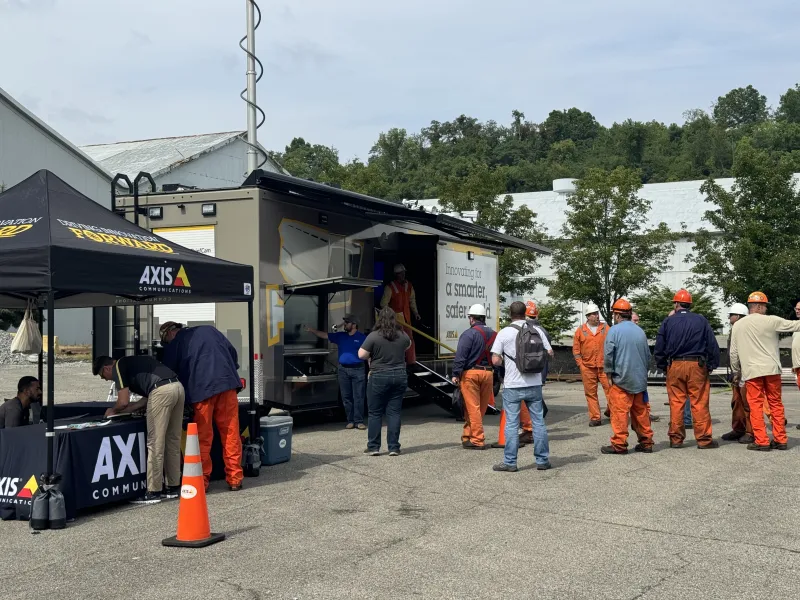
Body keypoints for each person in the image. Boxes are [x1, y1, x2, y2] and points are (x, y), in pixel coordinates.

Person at [160, 321, 244, 492]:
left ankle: (202, 481)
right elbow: (233, 353)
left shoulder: (176, 343)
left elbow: (167, 373)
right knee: (231, 432)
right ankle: (235, 478)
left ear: (169, 334)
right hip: (227, 385)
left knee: (203, 438)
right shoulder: (210, 330)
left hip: (201, 391)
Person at [93, 355, 184, 504]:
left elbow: (123, 401)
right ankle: (173, 486)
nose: (108, 380)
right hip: (177, 387)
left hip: (161, 391)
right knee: (172, 440)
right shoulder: (135, 363)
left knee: (155, 443)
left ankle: (154, 491)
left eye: (105, 377)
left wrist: (113, 410)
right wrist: (130, 409)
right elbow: (148, 397)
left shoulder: (119, 366)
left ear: (107, 368)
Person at [730, 291, 800, 451]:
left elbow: (733, 353)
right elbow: (795, 325)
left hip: (752, 371)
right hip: (772, 370)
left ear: (751, 306)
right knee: (775, 404)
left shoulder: (738, 325)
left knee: (755, 405)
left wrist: (736, 372)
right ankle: (780, 439)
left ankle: (761, 441)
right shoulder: (772, 321)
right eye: (765, 306)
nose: (766, 309)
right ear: (760, 306)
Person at [491, 301, 553, 471]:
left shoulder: (504, 333)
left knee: (512, 424)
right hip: (534, 384)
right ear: (525, 313)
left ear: (510, 314)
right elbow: (549, 353)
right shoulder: (537, 330)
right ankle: (542, 461)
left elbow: (495, 360)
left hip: (512, 385)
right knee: (538, 422)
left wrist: (505, 360)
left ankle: (510, 462)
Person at [654, 289, 720, 449]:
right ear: (690, 304)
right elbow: (712, 345)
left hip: (674, 365)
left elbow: (659, 347)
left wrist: (664, 366)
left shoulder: (668, 322)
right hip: (696, 365)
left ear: (676, 304)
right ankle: (704, 439)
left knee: (676, 403)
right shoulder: (701, 320)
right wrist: (711, 365)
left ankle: (676, 439)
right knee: (699, 402)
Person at [601, 298, 654, 455]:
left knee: (620, 413)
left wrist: (609, 374)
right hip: (639, 380)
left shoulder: (614, 331)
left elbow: (609, 355)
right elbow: (647, 356)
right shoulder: (640, 331)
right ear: (630, 314)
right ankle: (646, 442)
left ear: (617, 315)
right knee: (641, 413)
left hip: (621, 380)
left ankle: (619, 444)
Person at [358, 307, 411, 456]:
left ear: (379, 319)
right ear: (394, 319)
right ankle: (393, 447)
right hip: (400, 375)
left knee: (375, 413)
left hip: (379, 376)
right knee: (394, 412)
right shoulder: (402, 335)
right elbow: (408, 345)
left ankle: (374, 447)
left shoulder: (374, 336)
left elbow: (361, 354)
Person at [306, 314, 367, 430]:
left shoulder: (362, 338)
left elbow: (368, 352)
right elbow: (324, 335)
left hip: (358, 369)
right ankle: (350, 420)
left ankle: (359, 421)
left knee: (358, 396)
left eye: (347, 323)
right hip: (343, 370)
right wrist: (312, 330)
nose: (344, 325)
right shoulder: (340, 336)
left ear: (354, 325)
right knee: (346, 396)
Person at [451, 304, 496, 450]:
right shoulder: (494, 334)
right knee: (480, 408)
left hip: (471, 374)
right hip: (488, 373)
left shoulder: (468, 334)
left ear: (471, 318)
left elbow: (461, 355)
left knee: (472, 408)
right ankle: (467, 436)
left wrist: (456, 373)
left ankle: (477, 439)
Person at [573, 304, 611, 427]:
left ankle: (611, 412)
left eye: (597, 313)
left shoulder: (605, 328)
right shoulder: (580, 330)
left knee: (611, 390)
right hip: (587, 367)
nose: (596, 316)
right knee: (591, 393)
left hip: (604, 366)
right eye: (594, 314)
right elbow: (576, 349)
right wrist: (581, 365)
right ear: (588, 316)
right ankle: (595, 418)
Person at [720, 303, 753, 443]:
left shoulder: (743, 329)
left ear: (738, 316)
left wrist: (736, 372)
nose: (729, 318)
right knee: (737, 403)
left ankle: (750, 431)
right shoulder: (736, 329)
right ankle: (738, 429)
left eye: (731, 315)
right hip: (738, 372)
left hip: (743, 372)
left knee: (747, 404)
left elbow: (736, 353)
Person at [379, 263, 421, 365]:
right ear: (396, 275)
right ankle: (399, 361)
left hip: (406, 319)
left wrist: (416, 313)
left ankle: (411, 361)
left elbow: (412, 301)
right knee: (397, 341)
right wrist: (391, 315)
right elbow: (383, 304)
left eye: (403, 273)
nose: (402, 275)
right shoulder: (390, 287)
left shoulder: (409, 286)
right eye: (400, 273)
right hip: (396, 320)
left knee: (410, 340)